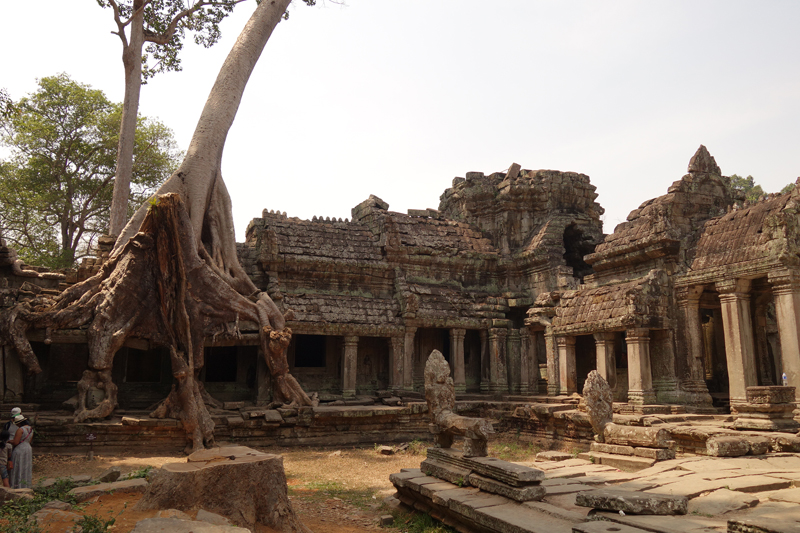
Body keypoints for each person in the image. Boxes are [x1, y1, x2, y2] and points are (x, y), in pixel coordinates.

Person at [9, 414, 32, 489]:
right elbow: (29, 440)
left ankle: (16, 484)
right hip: (28, 448)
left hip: (20, 449)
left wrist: (9, 441)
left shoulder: (20, 430)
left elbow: (16, 442)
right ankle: (25, 484)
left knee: (17, 465)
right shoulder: (30, 429)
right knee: (25, 465)